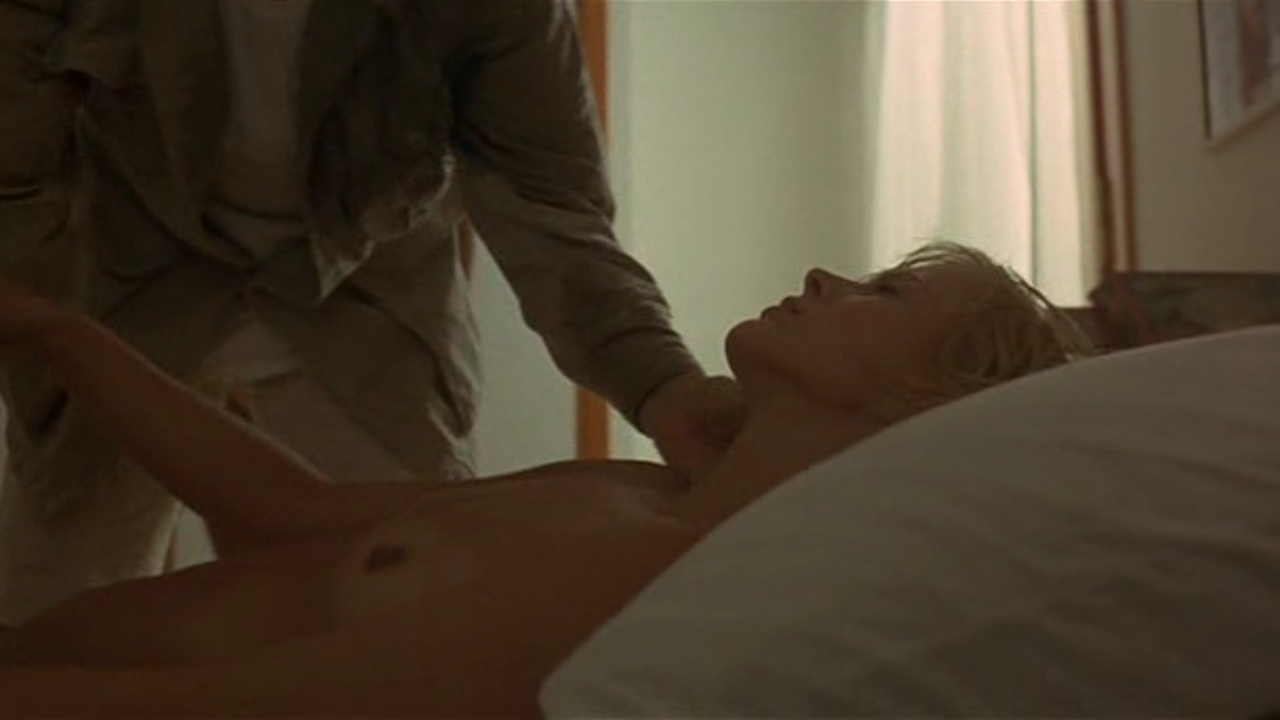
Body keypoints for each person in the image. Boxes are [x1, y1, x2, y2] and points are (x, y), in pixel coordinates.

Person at [0, 242, 1093, 718]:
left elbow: (219, 715)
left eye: (886, 292)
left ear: (925, 403)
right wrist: (58, 331)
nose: (825, 274)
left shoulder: (656, 583)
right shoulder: (626, 493)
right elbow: (289, 511)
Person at [0, 0, 741, 624]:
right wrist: (49, 340)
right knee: (51, 605)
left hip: (369, 311)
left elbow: (552, 213)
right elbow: (15, 176)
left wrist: (662, 385)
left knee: (420, 599)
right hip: (126, 287)